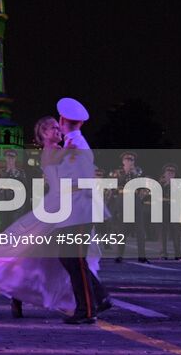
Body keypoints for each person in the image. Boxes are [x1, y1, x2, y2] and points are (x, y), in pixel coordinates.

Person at [0, 115, 104, 320]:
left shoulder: (64, 148)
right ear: (42, 135)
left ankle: (94, 299)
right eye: (51, 129)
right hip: (56, 208)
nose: (57, 131)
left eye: (58, 127)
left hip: (63, 206)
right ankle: (18, 296)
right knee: (31, 252)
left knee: (54, 256)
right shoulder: (51, 152)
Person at [52, 98, 111, 324]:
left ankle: (87, 309)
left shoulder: (76, 145)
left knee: (73, 258)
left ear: (62, 120)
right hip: (73, 208)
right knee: (68, 258)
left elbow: (81, 180)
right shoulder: (72, 142)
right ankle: (99, 297)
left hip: (79, 208)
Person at [111, 152, 149, 263]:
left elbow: (144, 184)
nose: (130, 161)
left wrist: (134, 174)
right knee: (122, 229)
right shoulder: (117, 172)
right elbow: (114, 185)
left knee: (140, 230)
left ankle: (142, 256)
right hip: (123, 199)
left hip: (135, 200)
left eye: (131, 160)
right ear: (123, 161)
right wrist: (126, 173)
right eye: (127, 160)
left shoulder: (138, 172)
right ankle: (119, 255)